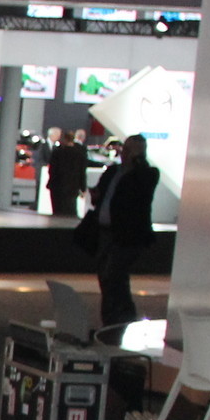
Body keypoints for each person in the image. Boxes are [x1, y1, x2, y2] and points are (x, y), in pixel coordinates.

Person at [91, 132, 157, 332]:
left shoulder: (146, 173)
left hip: (127, 236)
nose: (124, 153)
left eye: (130, 150)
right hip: (105, 233)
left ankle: (123, 319)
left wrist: (138, 160)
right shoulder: (112, 172)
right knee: (105, 277)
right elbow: (100, 195)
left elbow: (142, 189)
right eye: (125, 148)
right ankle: (110, 322)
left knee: (115, 275)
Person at [44, 126, 89, 218]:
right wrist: (83, 188)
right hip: (72, 186)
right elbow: (82, 172)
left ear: (64, 138)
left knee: (57, 210)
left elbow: (52, 170)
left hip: (57, 186)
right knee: (70, 210)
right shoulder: (79, 154)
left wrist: (50, 182)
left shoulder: (57, 152)